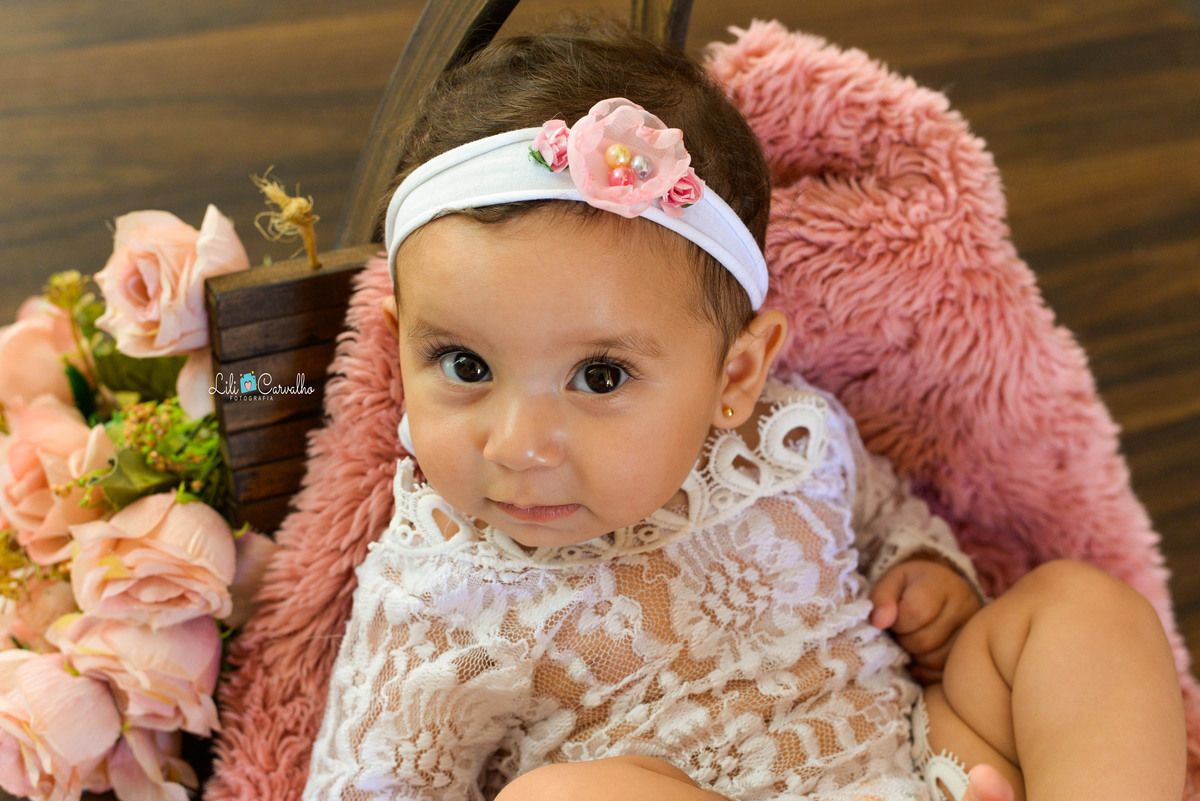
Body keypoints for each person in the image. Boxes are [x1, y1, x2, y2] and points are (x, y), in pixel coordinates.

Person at [303, 22, 1186, 801]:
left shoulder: (789, 443)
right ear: (398, 345)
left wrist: (929, 576)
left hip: (925, 761)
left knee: (1080, 610)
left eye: (601, 377)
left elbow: (884, 519)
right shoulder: (430, 593)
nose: (520, 444)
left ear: (737, 375)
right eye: (464, 364)